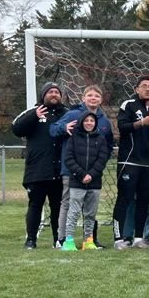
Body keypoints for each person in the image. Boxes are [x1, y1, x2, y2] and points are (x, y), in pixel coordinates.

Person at [50, 84, 114, 248]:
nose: (93, 98)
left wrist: (97, 168)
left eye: (97, 96)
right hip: (71, 171)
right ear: (83, 98)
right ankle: (63, 239)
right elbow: (53, 129)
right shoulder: (72, 114)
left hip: (93, 173)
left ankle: (90, 239)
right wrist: (64, 127)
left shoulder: (104, 121)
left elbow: (108, 146)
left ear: (101, 100)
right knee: (68, 204)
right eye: (90, 95)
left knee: (91, 207)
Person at [11, 82, 68, 249]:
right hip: (37, 170)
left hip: (59, 171)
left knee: (58, 206)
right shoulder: (33, 112)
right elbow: (16, 129)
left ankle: (59, 239)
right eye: (50, 92)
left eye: (57, 92)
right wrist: (34, 115)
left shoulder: (66, 113)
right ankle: (31, 240)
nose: (54, 95)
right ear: (43, 95)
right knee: (35, 205)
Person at [112, 76, 149, 250]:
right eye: (144, 86)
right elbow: (122, 127)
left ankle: (139, 238)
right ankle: (118, 239)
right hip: (130, 161)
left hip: (148, 163)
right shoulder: (129, 105)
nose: (148, 89)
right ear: (137, 89)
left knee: (143, 200)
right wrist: (141, 122)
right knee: (124, 199)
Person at [61, 112, 110, 251]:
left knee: (90, 213)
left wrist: (92, 175)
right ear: (82, 122)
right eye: (86, 120)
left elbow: (102, 159)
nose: (89, 123)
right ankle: (68, 241)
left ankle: (88, 240)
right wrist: (82, 174)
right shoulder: (73, 138)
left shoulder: (100, 139)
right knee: (74, 212)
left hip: (94, 183)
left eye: (92, 121)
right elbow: (69, 159)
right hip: (77, 182)